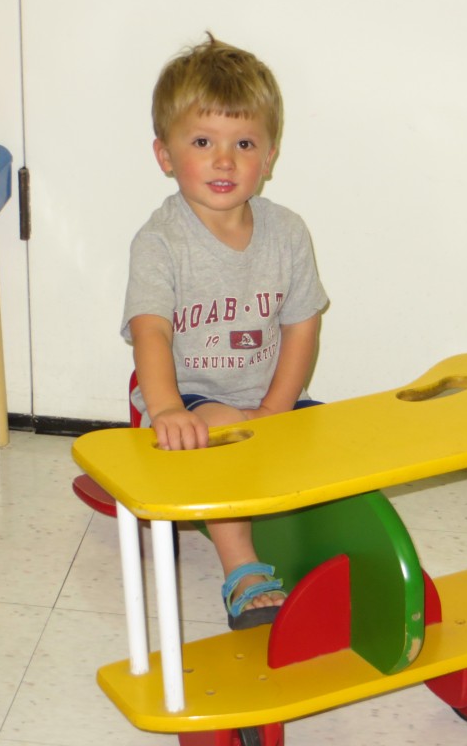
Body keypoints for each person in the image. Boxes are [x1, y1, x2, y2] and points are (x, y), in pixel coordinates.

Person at [121, 34, 328, 630]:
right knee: (224, 433)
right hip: (185, 398)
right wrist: (166, 411)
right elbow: (151, 333)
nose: (224, 160)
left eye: (244, 144)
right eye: (203, 142)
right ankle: (241, 567)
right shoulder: (160, 243)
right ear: (164, 155)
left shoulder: (287, 233)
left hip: (262, 397)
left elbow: (301, 324)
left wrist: (278, 408)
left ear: (270, 156)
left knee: (335, 436)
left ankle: (337, 550)